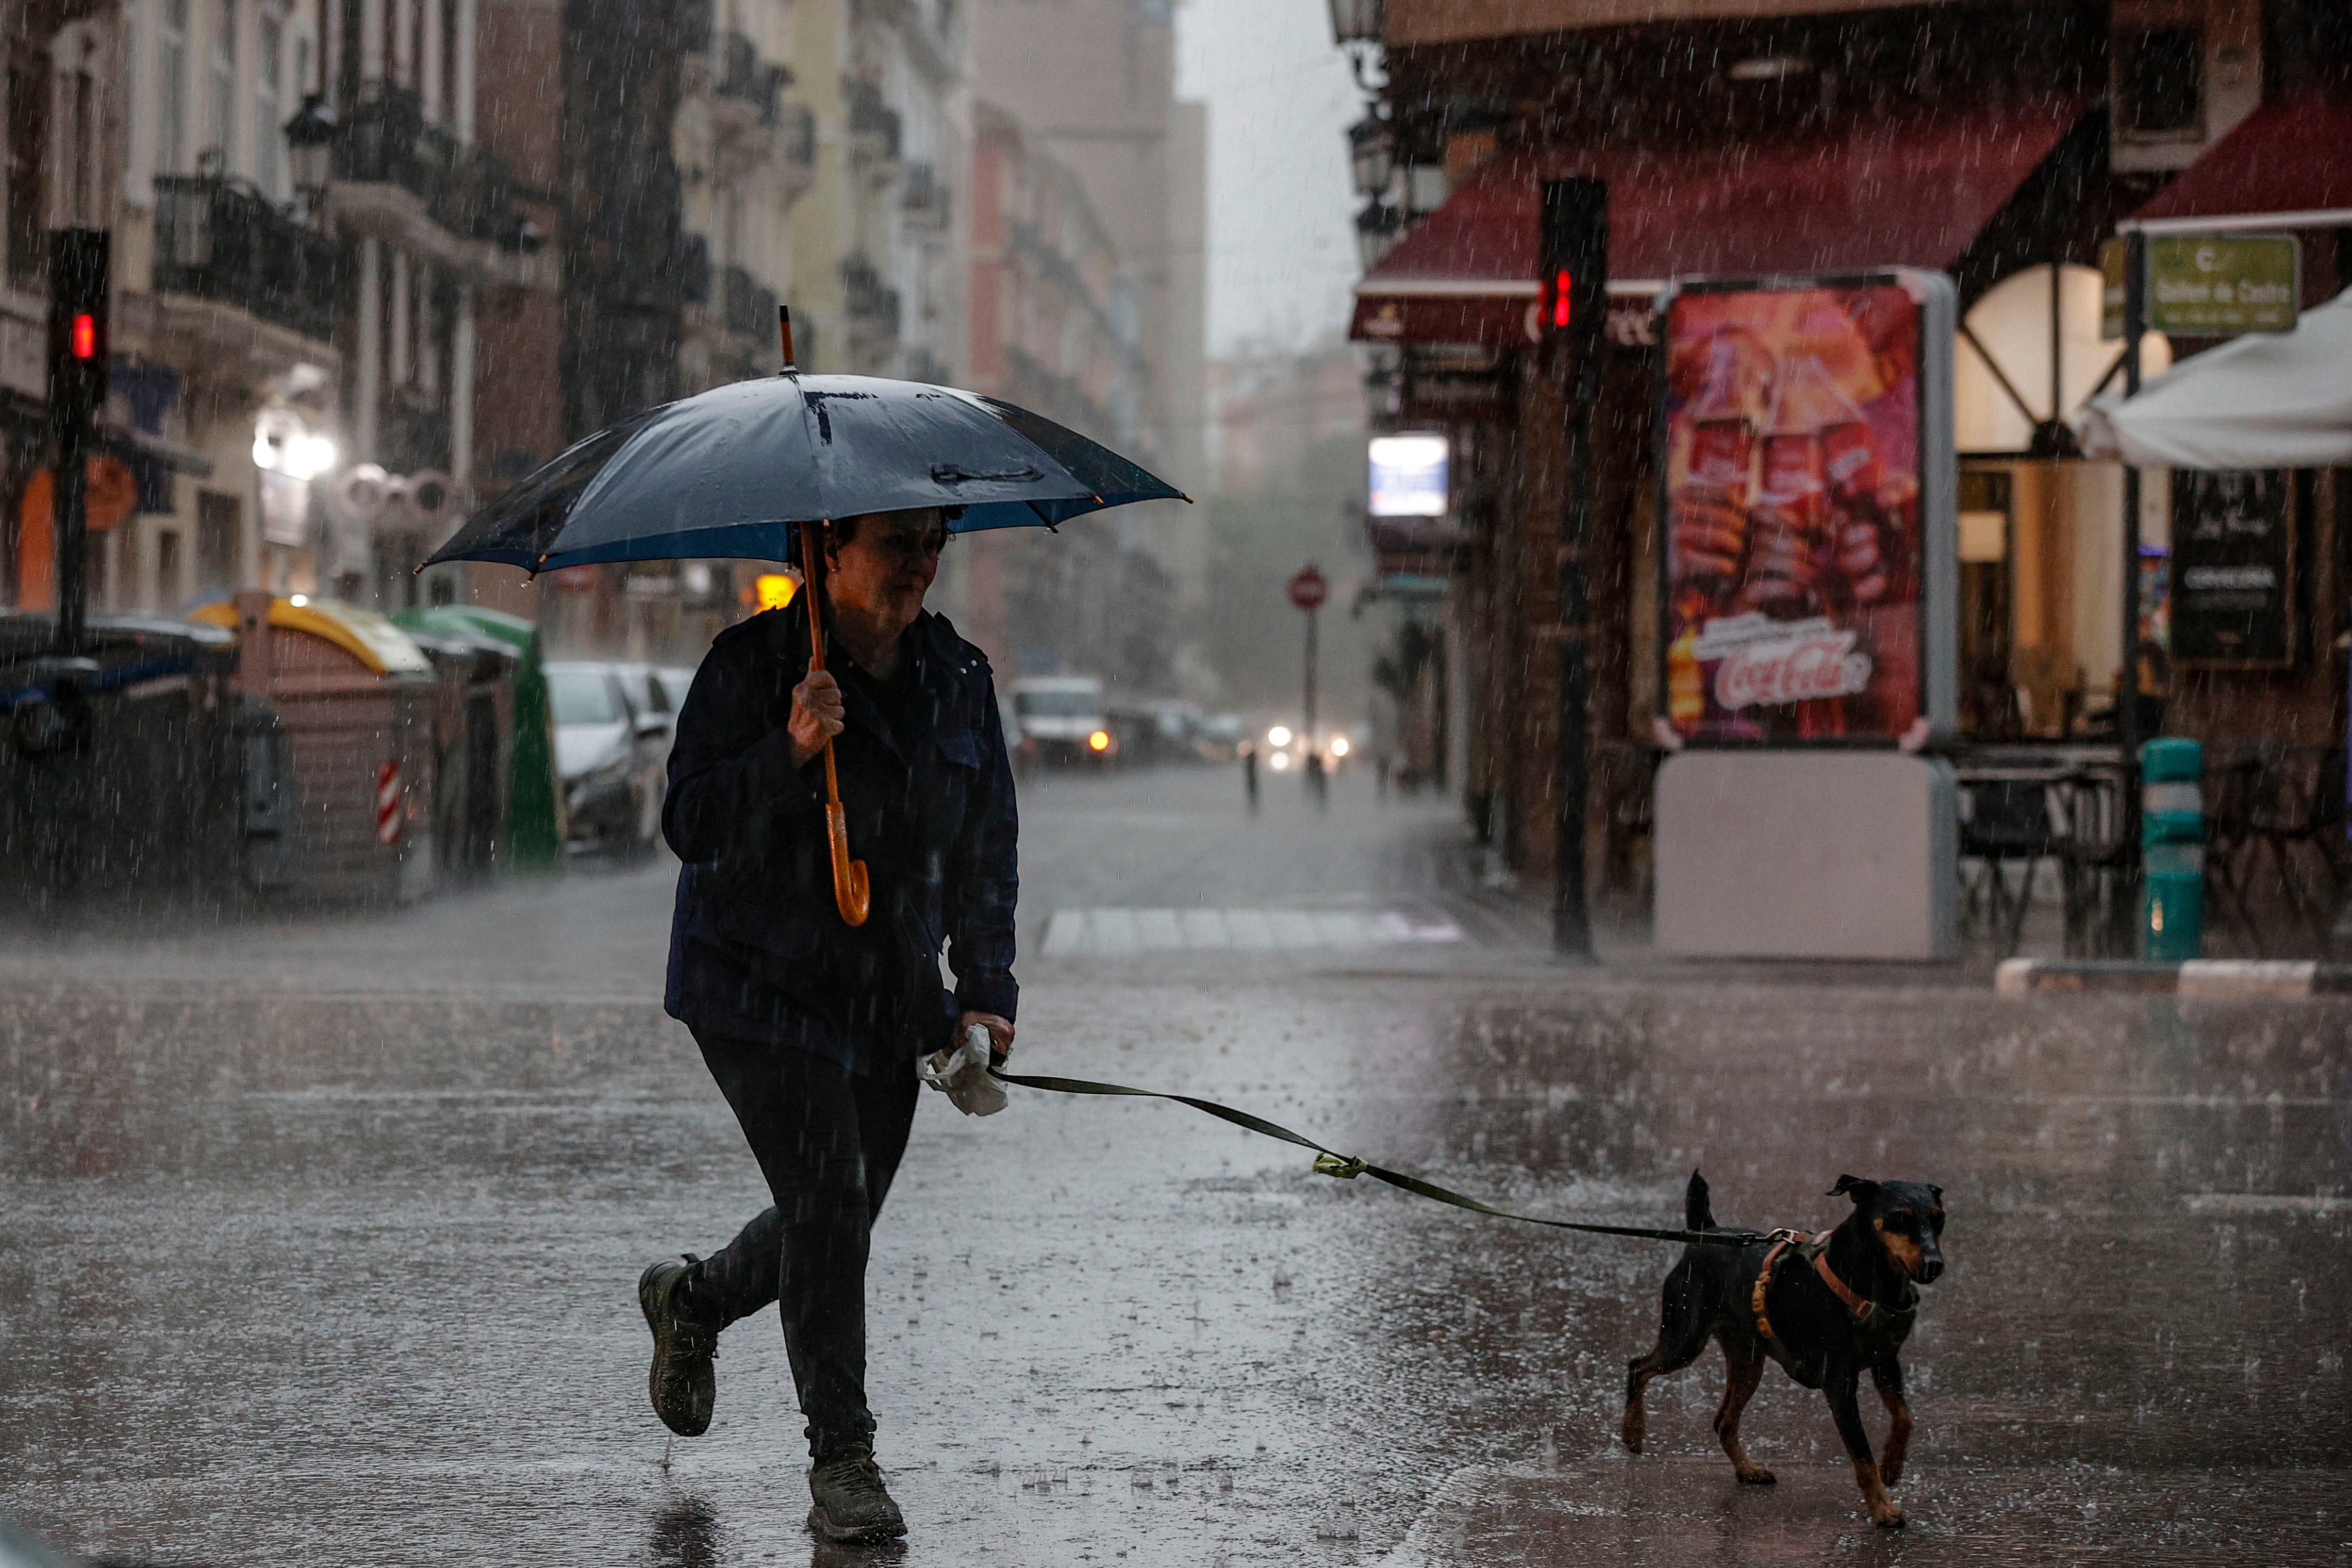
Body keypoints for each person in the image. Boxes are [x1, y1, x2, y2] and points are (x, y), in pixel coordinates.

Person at [640, 507, 1019, 1544]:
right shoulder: (749, 666)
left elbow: (986, 844)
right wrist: (790, 748)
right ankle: (842, 1461)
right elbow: (690, 825)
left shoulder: (958, 678)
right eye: (895, 542)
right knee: (829, 1202)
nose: (919, 565)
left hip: (885, 995)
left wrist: (985, 987)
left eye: (932, 541)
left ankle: (695, 1301)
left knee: (837, 1217)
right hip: (752, 989)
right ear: (823, 552)